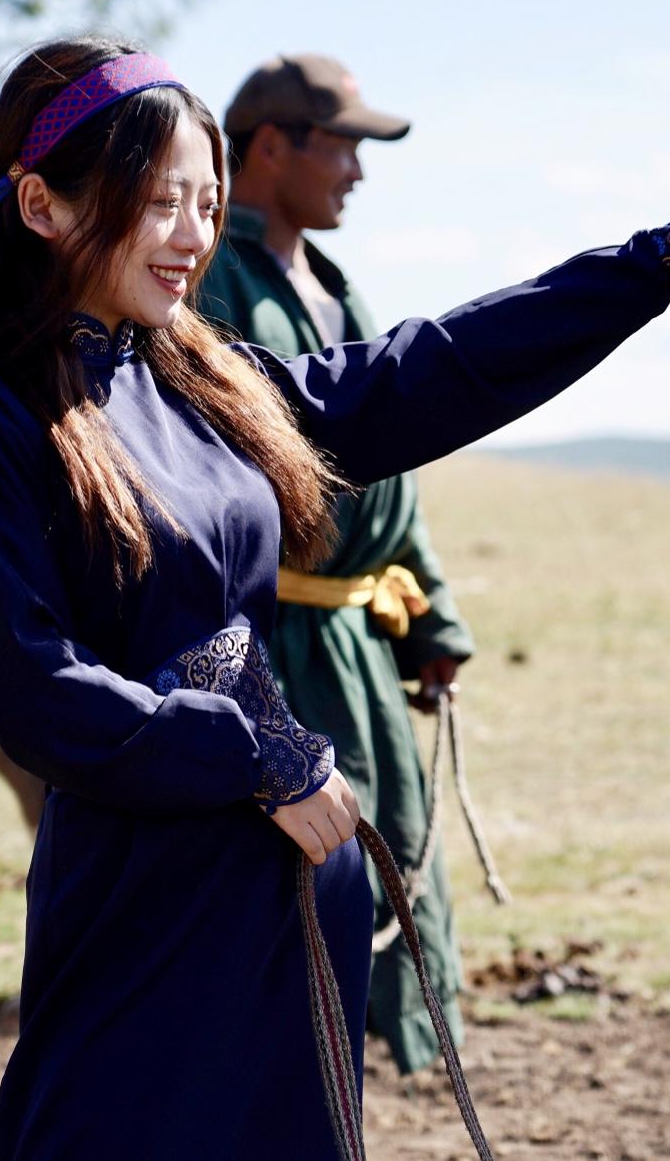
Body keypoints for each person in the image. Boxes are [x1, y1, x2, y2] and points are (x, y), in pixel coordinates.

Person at [0, 35, 670, 1159]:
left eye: (204, 201)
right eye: (157, 203)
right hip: (142, 894)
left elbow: (424, 370)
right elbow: (30, 689)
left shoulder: (204, 373)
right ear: (41, 205)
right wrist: (254, 759)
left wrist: (664, 259)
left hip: (289, 870)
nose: (192, 237)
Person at [197, 53, 475, 1075]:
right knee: (288, 890)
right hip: (266, 645)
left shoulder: (335, 280)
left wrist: (430, 617)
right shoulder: (208, 283)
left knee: (385, 853)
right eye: (343, 144)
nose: (357, 170)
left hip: (357, 640)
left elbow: (388, 466)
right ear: (269, 146)